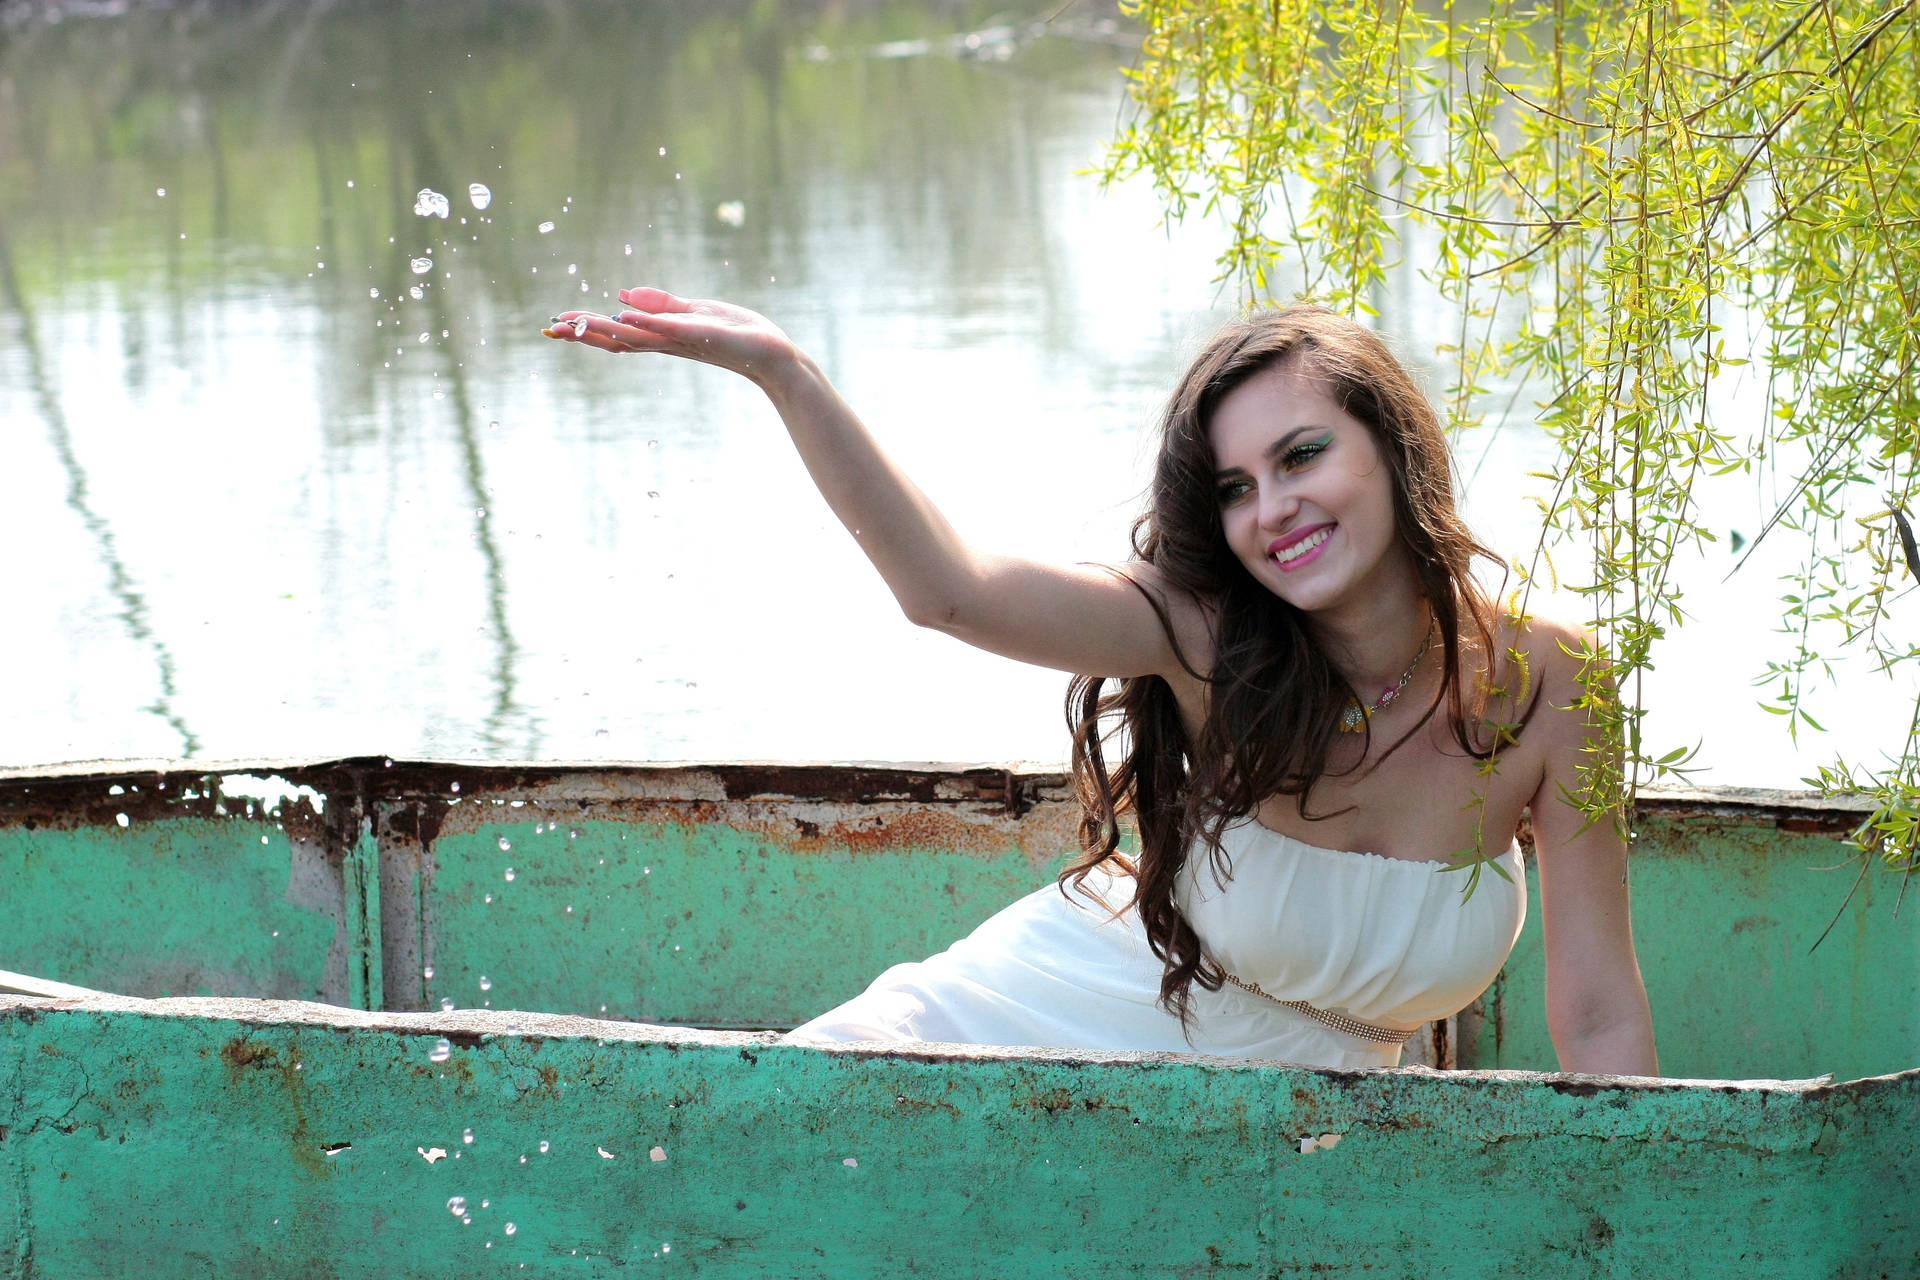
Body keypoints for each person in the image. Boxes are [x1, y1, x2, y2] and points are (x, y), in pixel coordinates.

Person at [543, 289, 1659, 1076]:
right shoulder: (1206, 634)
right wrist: (789, 375)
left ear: (1395, 447)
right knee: (771, 1145)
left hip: (1304, 1130)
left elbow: (1600, 1011)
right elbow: (952, 590)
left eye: (1303, 454)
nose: (1271, 508)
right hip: (1042, 1028)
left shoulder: (1554, 682)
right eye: (1235, 485)